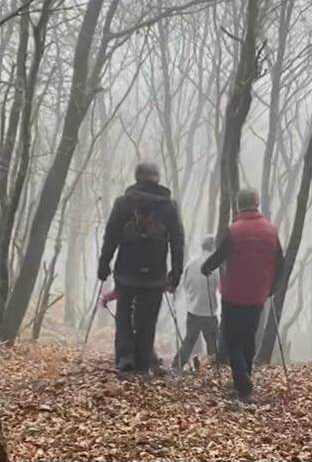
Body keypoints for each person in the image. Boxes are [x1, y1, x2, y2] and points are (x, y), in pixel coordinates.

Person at [98, 161, 184, 373]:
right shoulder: (169, 207)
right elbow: (177, 241)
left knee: (124, 313)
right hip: (155, 275)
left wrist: (104, 264)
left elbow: (111, 236)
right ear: (157, 178)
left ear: (137, 177)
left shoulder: (123, 204)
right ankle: (143, 359)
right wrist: (176, 273)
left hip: (126, 272)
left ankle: (125, 357)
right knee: (148, 317)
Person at [201, 187, 283, 402]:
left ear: (238, 205)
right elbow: (281, 262)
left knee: (232, 340)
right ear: (257, 204)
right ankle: (244, 377)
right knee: (248, 338)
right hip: (258, 295)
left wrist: (206, 267)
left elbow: (220, 255)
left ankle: (243, 385)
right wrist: (272, 287)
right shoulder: (271, 231)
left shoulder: (234, 230)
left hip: (233, 295)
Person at [173, 235, 220, 370]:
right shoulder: (214, 264)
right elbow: (219, 286)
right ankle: (214, 369)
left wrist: (192, 297)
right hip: (209, 311)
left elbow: (185, 284)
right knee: (212, 343)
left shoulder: (191, 262)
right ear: (214, 247)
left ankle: (177, 365)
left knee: (189, 340)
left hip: (193, 309)